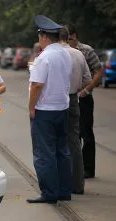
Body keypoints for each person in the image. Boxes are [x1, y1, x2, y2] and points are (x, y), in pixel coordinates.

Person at [27, 15, 73, 204]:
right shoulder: (65, 53)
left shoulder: (44, 57)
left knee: (44, 153)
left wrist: (31, 107)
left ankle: (49, 193)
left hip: (44, 110)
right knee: (62, 151)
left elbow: (37, 85)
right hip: (62, 108)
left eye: (39, 36)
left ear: (44, 36)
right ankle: (64, 191)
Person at [66, 24, 103, 179]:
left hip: (85, 97)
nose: (65, 42)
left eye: (67, 38)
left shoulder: (86, 50)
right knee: (73, 135)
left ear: (74, 36)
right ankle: (74, 168)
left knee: (86, 133)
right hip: (69, 97)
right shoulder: (62, 51)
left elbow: (98, 71)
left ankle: (88, 169)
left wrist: (87, 90)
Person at [59, 27, 92, 194]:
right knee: (74, 141)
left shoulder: (54, 54)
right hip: (73, 99)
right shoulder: (78, 54)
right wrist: (77, 88)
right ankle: (78, 185)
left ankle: (62, 182)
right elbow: (88, 79)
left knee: (57, 142)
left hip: (57, 100)